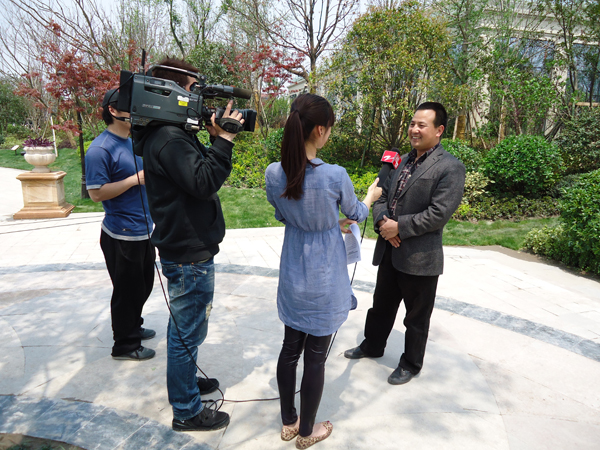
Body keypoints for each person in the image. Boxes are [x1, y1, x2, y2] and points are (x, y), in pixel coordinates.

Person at [133, 57, 244, 432]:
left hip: (186, 247)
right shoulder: (169, 138)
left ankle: (185, 383)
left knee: (187, 329)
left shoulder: (170, 133)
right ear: (171, 93)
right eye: (194, 90)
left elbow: (196, 176)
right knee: (186, 332)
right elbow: (203, 182)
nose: (198, 98)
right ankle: (186, 410)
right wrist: (225, 141)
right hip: (188, 253)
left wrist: (214, 139)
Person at [265, 93, 382, 449]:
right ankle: (307, 432)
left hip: (293, 272)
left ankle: (289, 422)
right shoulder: (334, 175)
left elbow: (284, 213)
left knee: (289, 349)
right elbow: (357, 213)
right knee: (315, 358)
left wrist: (324, 220)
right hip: (323, 276)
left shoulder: (274, 172)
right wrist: (371, 197)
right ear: (319, 129)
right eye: (329, 128)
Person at [344, 102, 465, 385]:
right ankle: (373, 344)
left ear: (439, 130)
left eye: (422, 125)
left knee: (416, 317)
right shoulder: (402, 160)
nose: (414, 130)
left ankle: (410, 363)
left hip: (420, 257)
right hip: (389, 249)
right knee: (380, 306)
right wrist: (383, 223)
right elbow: (382, 196)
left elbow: (439, 213)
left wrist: (400, 227)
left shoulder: (450, 167)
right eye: (412, 124)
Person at [85, 89, 156, 361]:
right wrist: (134, 180)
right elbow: (96, 193)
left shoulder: (133, 140)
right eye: (130, 107)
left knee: (144, 286)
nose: (136, 111)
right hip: (121, 234)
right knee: (127, 292)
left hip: (144, 230)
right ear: (112, 111)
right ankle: (125, 345)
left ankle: (133, 325)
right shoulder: (100, 149)